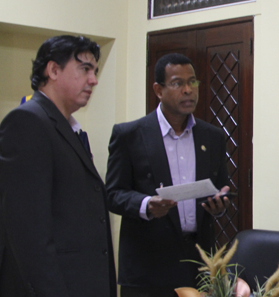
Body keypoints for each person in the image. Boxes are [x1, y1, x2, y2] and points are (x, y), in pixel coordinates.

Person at [106, 53, 248, 297]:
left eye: (192, 82)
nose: (188, 90)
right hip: (147, 268)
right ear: (158, 90)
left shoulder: (212, 136)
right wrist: (146, 205)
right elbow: (112, 194)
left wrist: (220, 204)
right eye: (177, 83)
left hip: (198, 264)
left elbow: (221, 186)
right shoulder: (130, 135)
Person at [0, 35, 116, 296]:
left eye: (95, 71)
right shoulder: (26, 123)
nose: (93, 80)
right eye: (84, 69)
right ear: (53, 70)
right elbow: (29, 235)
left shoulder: (66, 127)